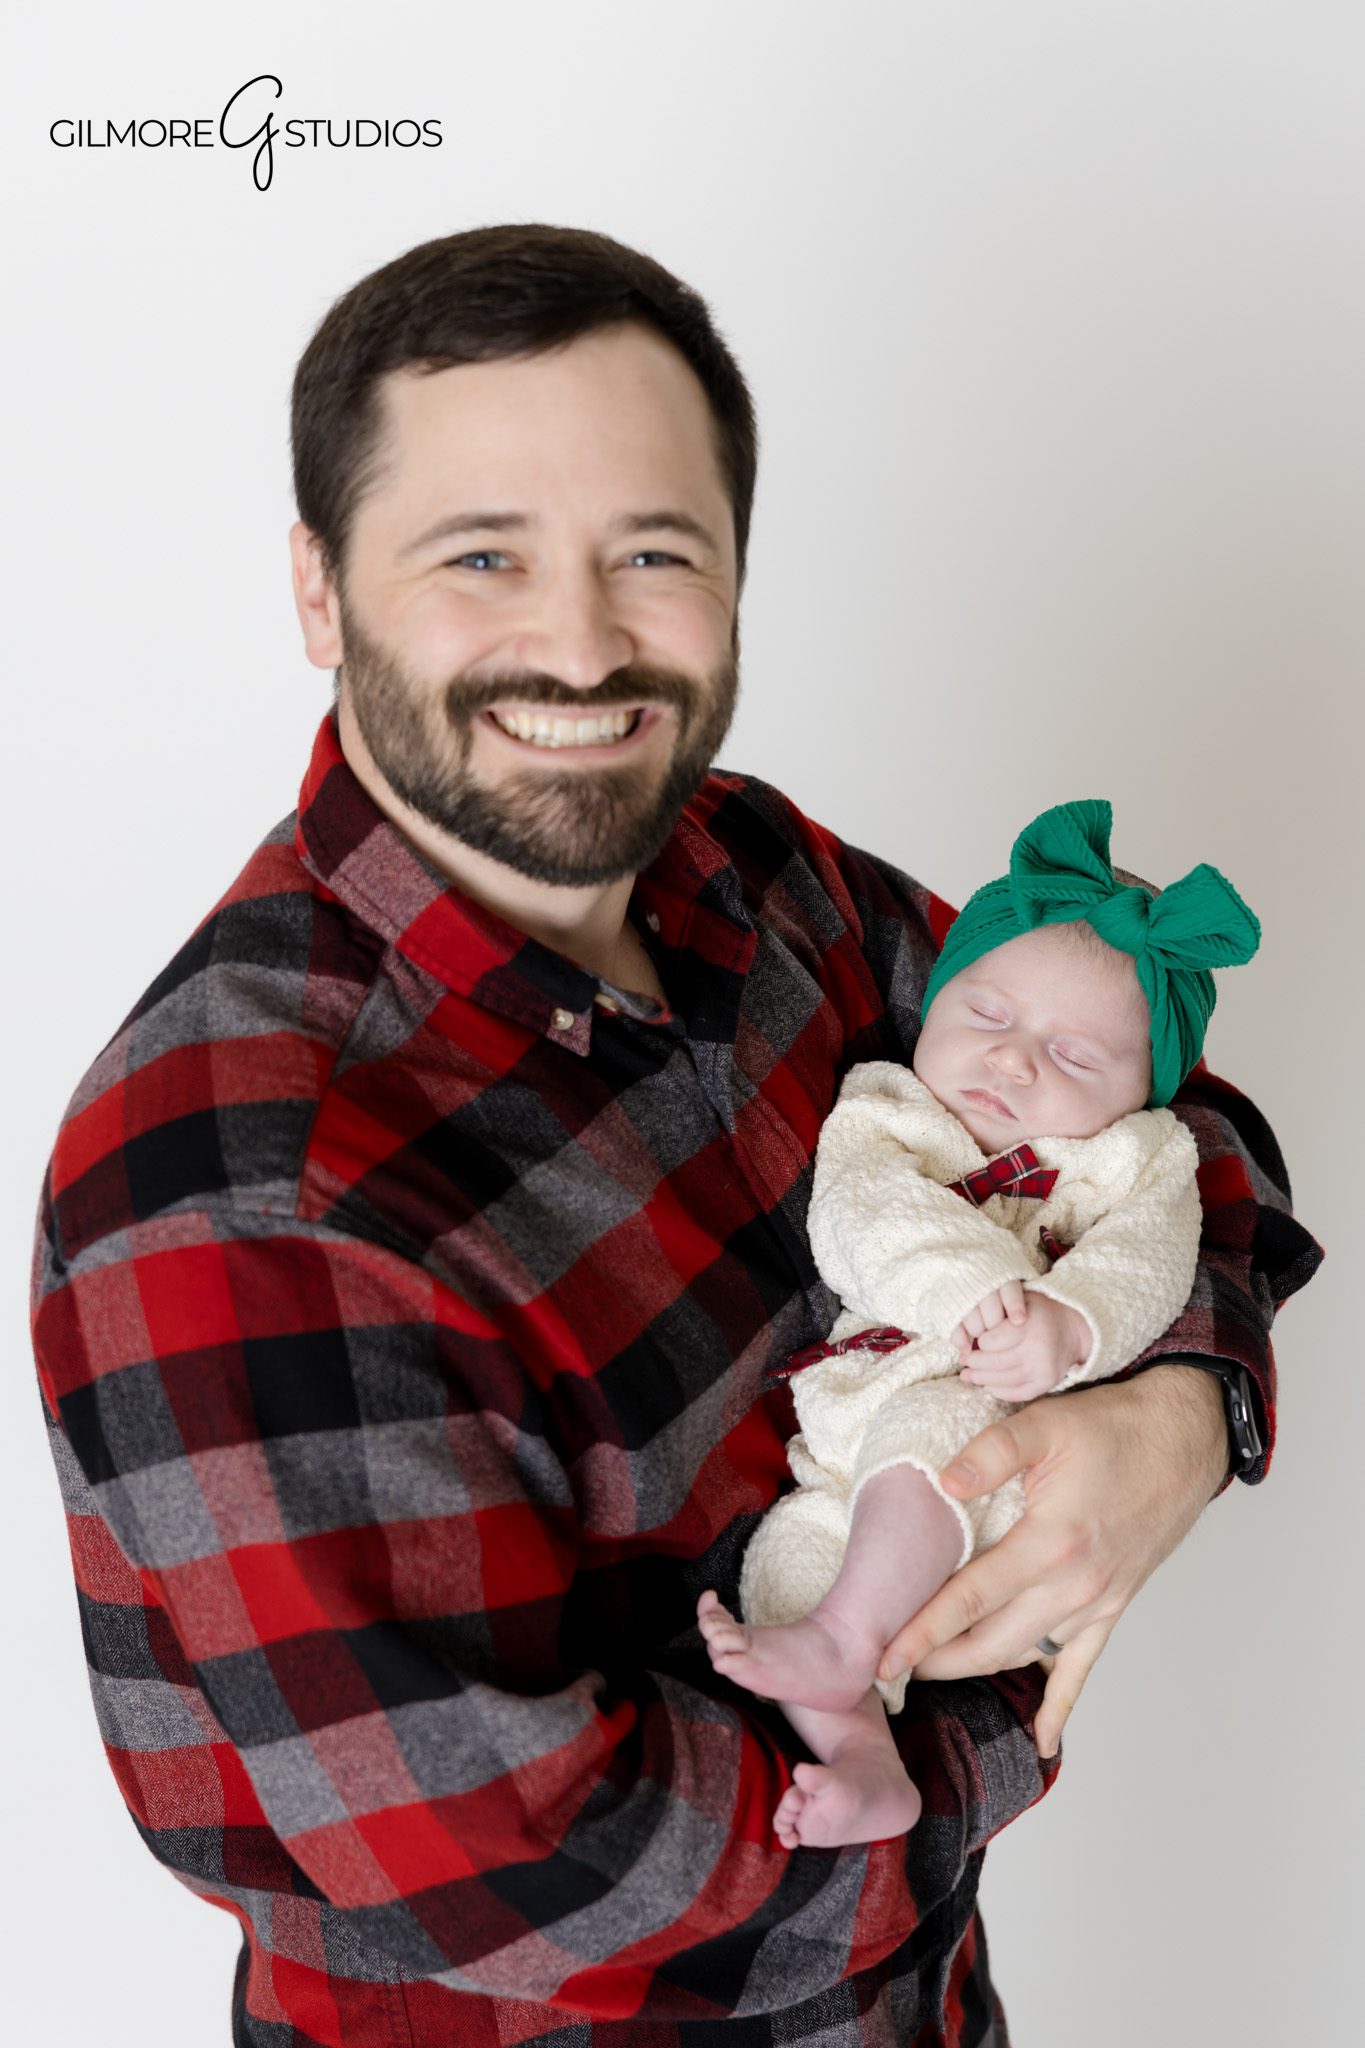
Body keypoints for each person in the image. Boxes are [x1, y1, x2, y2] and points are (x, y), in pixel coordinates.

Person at [30, 226, 1320, 2048]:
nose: (578, 642)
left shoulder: (751, 868)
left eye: (654, 553)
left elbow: (1159, 1117)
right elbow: (543, 1869)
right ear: (320, 592)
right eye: (483, 555)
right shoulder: (242, 1181)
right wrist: (999, 1702)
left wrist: (1176, 1411)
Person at [697, 798, 1260, 1850]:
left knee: (941, 1439)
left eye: (1076, 1057)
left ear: (1147, 1095)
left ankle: (847, 1634)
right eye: (987, 1015)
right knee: (787, 1564)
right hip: (847, 1450)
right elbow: (860, 1218)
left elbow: (1150, 1261)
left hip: (1009, 1451)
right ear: (935, 994)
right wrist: (965, 1289)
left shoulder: (1135, 1160)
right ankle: (865, 1750)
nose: (1012, 1064)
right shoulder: (889, 1110)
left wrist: (1069, 1323)